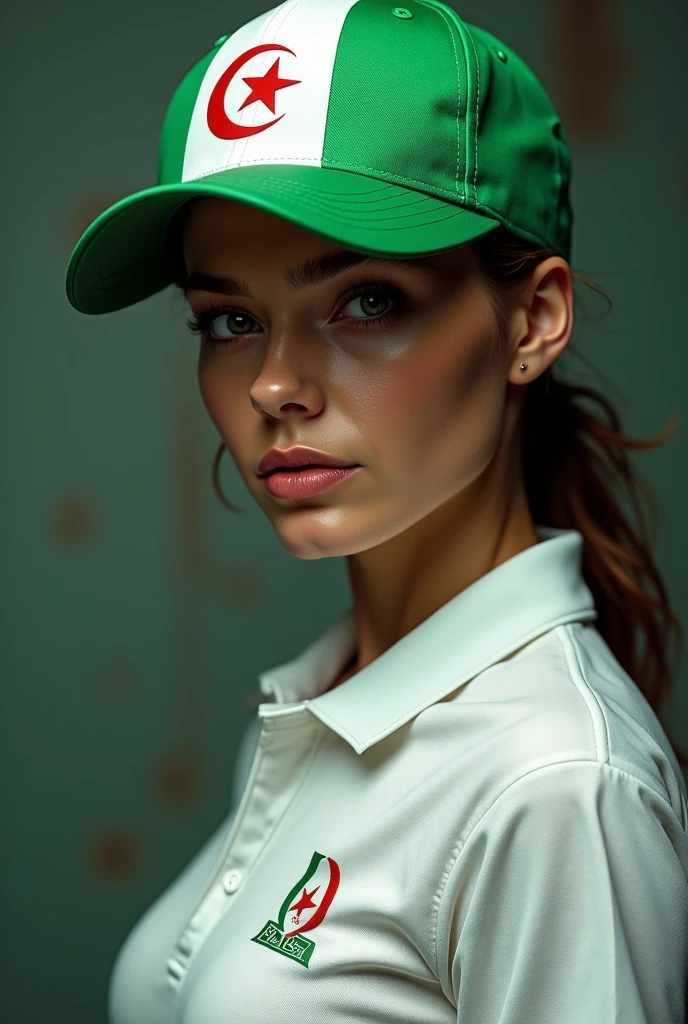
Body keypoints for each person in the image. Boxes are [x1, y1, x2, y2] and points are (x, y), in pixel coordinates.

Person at [65, 1, 688, 1021]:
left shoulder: (554, 781)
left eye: (365, 300)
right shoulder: (328, 693)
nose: (274, 384)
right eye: (229, 319)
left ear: (533, 319)